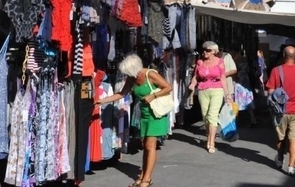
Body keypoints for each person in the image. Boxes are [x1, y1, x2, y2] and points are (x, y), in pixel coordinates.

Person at [95, 53, 172, 187]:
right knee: (145, 146)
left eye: (129, 72)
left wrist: (153, 95)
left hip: (157, 114)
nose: (128, 75)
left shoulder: (150, 74)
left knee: (150, 146)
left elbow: (168, 87)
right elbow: (122, 93)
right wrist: (102, 101)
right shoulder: (132, 78)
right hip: (144, 114)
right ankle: (143, 176)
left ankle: (147, 179)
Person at [266, 46, 295, 176]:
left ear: (283, 56)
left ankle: (280, 159)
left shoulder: (276, 71)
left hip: (280, 111)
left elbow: (270, 91)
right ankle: (291, 167)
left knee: (280, 138)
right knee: (294, 139)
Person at [189, 41, 231, 153]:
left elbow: (223, 78)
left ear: (214, 51)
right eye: (204, 50)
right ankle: (209, 136)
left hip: (217, 89)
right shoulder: (200, 62)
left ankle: (211, 141)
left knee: (212, 115)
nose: (205, 52)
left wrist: (227, 94)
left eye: (208, 50)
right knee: (205, 115)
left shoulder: (220, 62)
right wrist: (193, 84)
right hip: (203, 89)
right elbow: (196, 76)